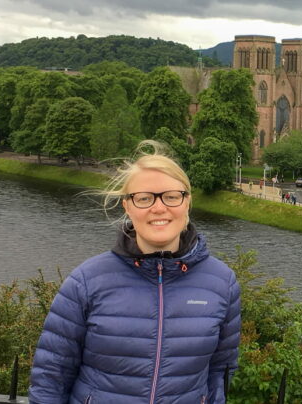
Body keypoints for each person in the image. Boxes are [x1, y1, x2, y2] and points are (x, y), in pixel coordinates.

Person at [29, 141, 241, 404]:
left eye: (171, 196)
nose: (159, 207)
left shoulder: (222, 283)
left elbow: (220, 373)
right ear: (127, 207)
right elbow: (51, 376)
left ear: (187, 202)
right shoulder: (87, 280)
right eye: (144, 198)